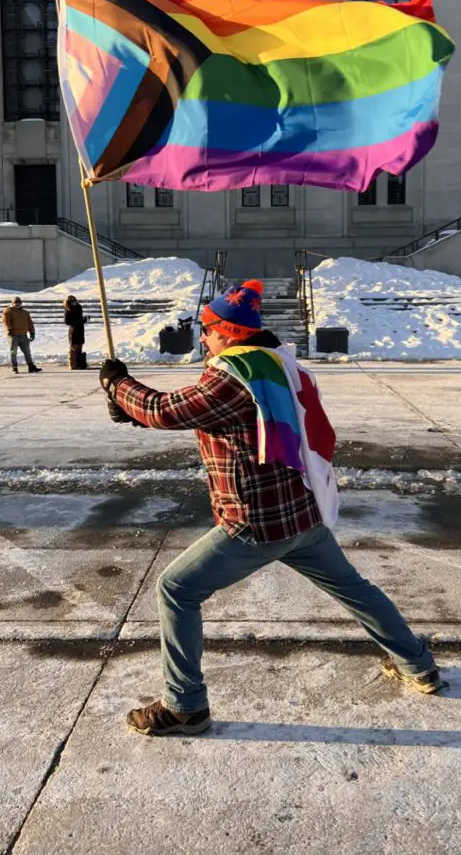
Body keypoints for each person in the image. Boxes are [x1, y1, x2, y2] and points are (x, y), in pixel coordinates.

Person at [100, 279, 439, 738]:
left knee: (176, 589)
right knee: (354, 589)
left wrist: (119, 385)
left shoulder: (232, 374)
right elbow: (214, 418)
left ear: (229, 333)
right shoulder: (275, 363)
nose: (203, 337)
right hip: (301, 513)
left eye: (209, 329)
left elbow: (168, 411)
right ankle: (418, 665)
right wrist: (134, 409)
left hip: (256, 521)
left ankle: (185, 707)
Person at [1, 296, 41, 375]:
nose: (17, 304)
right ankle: (14, 367)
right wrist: (9, 329)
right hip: (13, 335)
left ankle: (31, 367)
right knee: (13, 352)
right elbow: (5, 321)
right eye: (16, 302)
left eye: (19, 302)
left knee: (27, 352)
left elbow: (30, 323)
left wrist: (32, 332)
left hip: (23, 335)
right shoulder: (8, 311)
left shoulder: (25, 313)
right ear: (12, 303)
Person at [63, 295, 89, 369]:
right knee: (73, 348)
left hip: (80, 330)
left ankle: (79, 364)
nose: (74, 303)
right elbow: (67, 321)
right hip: (73, 331)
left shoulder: (78, 308)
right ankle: (73, 364)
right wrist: (78, 322)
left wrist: (84, 319)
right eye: (72, 302)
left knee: (79, 347)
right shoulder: (68, 310)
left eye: (75, 301)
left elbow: (80, 319)